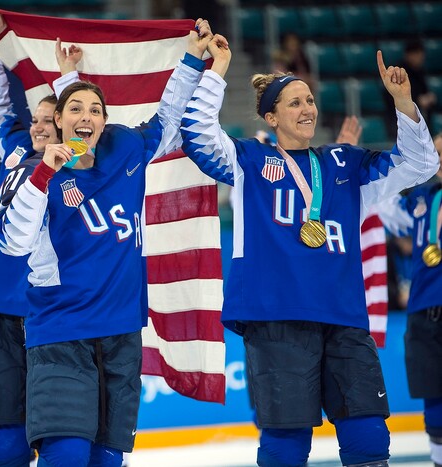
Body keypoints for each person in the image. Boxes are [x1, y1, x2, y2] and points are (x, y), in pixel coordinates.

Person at [180, 23, 439, 467]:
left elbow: (419, 163)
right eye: (294, 102)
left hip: (343, 318)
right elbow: (198, 135)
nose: (308, 109)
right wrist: (217, 70)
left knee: (369, 438)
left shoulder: (345, 165)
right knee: (286, 443)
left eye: (311, 100)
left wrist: (403, 104)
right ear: (271, 117)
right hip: (276, 319)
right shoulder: (249, 162)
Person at [0, 18, 212, 466]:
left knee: (108, 460)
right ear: (57, 119)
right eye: (74, 110)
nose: (85, 117)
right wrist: (44, 174)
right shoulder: (32, 172)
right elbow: (13, 243)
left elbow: (168, 118)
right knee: (67, 455)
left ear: (106, 121)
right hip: (60, 334)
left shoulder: (125, 149)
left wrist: (191, 58)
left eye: (95, 110)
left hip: (120, 332)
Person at [0, 7, 77, 466]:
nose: (36, 125)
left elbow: (83, 123)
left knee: (59, 427)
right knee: (3, 427)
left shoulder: (78, 170)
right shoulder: (15, 150)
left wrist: (70, 78)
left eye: (48, 120)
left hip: (49, 312)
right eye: (35, 118)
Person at [376, 132, 442, 467]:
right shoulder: (422, 200)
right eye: (439, 153)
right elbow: (383, 205)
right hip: (423, 313)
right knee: (434, 398)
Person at [384, 40, 437, 139]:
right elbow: (391, 97)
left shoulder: (420, 71)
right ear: (409, 55)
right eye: (417, 54)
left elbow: (425, 92)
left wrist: (429, 98)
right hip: (398, 118)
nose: (421, 58)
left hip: (418, 117)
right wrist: (418, 101)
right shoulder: (398, 72)